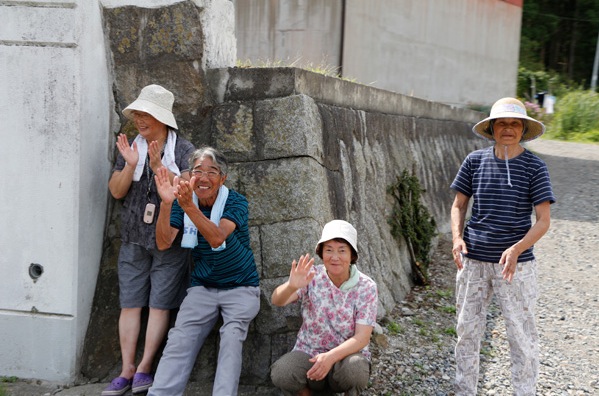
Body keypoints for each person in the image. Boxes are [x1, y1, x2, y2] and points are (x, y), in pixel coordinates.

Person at [450, 97, 556, 395]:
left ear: (523, 129)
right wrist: (457, 237)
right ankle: (464, 390)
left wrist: (518, 248)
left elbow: (543, 220)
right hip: (473, 261)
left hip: (517, 266)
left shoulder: (535, 167)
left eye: (514, 123)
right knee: (466, 333)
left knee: (521, 335)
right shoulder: (474, 161)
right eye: (502, 123)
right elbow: (459, 205)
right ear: (492, 128)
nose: (508, 128)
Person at [103, 84, 195, 396]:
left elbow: (187, 189)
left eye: (147, 114)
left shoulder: (183, 150)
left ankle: (145, 367)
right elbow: (116, 191)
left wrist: (159, 168)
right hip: (132, 237)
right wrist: (130, 164)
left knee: (159, 304)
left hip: (168, 239)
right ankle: (126, 368)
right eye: (138, 114)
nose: (140, 120)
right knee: (130, 303)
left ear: (163, 118)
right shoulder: (132, 145)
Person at [147, 146, 260, 396]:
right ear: (191, 176)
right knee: (180, 336)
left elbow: (217, 238)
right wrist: (167, 204)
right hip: (203, 286)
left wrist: (189, 207)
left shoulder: (235, 201)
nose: (205, 178)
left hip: (242, 287)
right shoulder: (182, 201)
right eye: (198, 171)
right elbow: (164, 242)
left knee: (231, 338)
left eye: (212, 171)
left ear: (223, 178)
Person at [270, 220, 378, 396]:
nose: (334, 257)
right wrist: (291, 285)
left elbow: (362, 337)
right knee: (282, 372)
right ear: (321, 252)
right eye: (329, 250)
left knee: (355, 370)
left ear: (352, 255)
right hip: (309, 354)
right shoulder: (311, 275)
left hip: (345, 358)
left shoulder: (366, 286)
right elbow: (277, 300)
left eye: (342, 250)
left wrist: (330, 357)